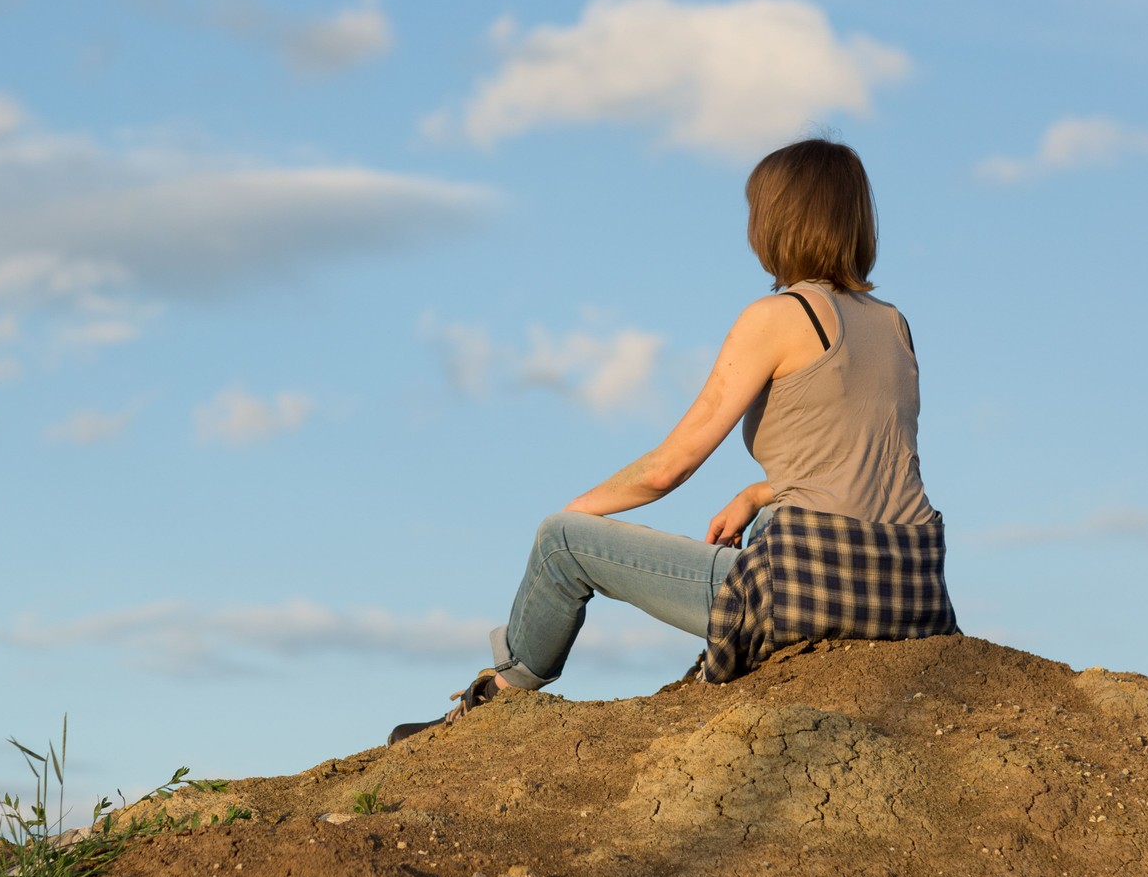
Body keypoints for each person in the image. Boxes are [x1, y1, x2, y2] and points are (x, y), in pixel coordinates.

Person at [388, 138, 959, 745]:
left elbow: (669, 467)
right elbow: (863, 461)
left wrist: (575, 514)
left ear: (779, 221)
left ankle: (495, 699)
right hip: (911, 591)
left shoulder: (779, 316)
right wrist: (756, 491)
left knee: (559, 544)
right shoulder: (895, 325)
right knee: (769, 520)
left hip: (811, 590)